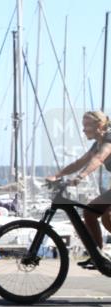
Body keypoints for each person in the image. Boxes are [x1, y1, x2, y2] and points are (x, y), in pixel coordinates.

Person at [46, 110, 111, 269]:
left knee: (99, 215)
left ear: (100, 125)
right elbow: (79, 162)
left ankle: (98, 257)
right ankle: (98, 257)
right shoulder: (98, 143)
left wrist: (81, 177)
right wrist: (57, 175)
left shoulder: (109, 139)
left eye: (87, 125)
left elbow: (99, 158)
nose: (83, 130)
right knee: (96, 215)